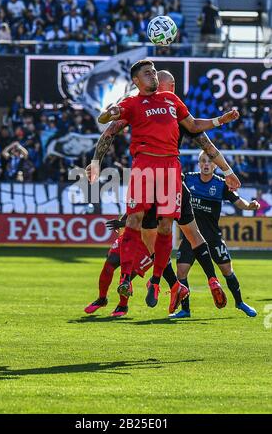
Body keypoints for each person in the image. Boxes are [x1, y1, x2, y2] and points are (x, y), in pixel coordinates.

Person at [87, 65, 240, 314]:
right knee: (137, 221)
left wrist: (220, 122)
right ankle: (128, 280)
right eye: (148, 73)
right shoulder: (133, 103)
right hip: (144, 166)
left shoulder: (171, 100)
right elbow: (110, 126)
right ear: (136, 80)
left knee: (166, 228)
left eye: (155, 71)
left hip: (171, 169)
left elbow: (194, 128)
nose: (154, 75)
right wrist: (95, 160)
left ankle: (158, 282)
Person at [175, 151, 260, 318]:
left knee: (227, 270)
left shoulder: (220, 185)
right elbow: (171, 180)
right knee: (181, 272)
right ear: (199, 164)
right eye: (203, 161)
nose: (206, 164)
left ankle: (240, 302)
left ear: (215, 165)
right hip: (190, 236)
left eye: (209, 161)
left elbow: (238, 201)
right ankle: (185, 310)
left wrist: (250, 206)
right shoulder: (188, 179)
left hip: (213, 237)